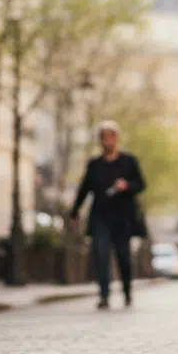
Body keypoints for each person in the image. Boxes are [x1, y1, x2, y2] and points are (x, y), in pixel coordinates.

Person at [70, 120, 147, 309]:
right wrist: (75, 211)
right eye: (104, 137)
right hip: (100, 218)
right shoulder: (94, 165)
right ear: (100, 140)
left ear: (116, 138)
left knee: (124, 258)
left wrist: (127, 185)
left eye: (110, 136)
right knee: (100, 256)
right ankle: (104, 295)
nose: (107, 140)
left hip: (123, 219)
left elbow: (141, 184)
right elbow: (84, 188)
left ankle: (127, 291)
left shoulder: (129, 162)